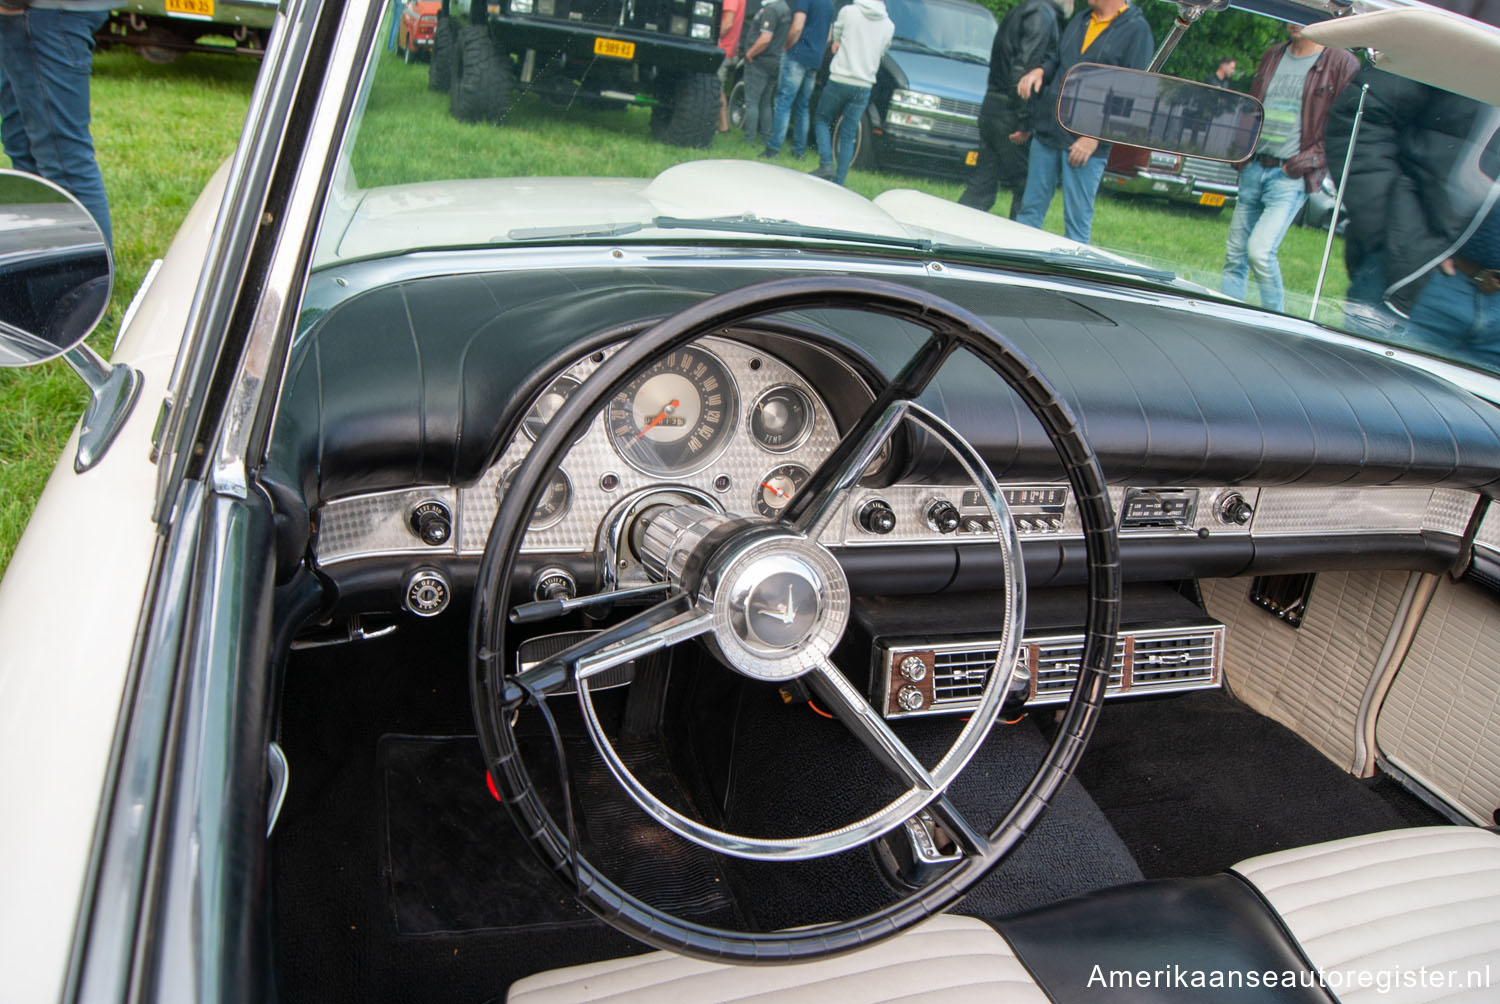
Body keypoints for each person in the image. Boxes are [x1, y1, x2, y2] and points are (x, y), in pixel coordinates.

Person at [1327, 64, 1500, 365]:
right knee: (1371, 409)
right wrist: (1397, 239)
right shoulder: (1468, 18)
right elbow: (1364, 118)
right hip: (1421, 285)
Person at [1220, 24, 1356, 312]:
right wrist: (1241, 151)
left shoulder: (1340, 62)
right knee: (1235, 255)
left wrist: (1303, 164)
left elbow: (1345, 127)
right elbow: (1252, 107)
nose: (1298, 22)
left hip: (1290, 174)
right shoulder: (1273, 55)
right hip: (1255, 165)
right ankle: (1225, 313)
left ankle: (1274, 320)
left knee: (1260, 251)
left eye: (1308, 15)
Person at [1013, 0, 1153, 244]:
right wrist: (1041, 71)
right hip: (1049, 130)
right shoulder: (1080, 19)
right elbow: (1056, 58)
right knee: (1029, 211)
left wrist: (1094, 138)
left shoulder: (1137, 30)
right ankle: (1015, 268)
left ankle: (1072, 276)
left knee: (1077, 222)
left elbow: (1132, 94)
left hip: (1085, 143)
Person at [0, 0, 114, 249]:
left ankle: (90, 279)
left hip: (42, 11)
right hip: (36, 13)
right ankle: (41, 265)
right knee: (23, 148)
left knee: (64, 162)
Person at [957, 0, 1066, 218]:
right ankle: (1017, 245)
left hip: (993, 105)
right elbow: (1022, 71)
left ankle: (949, 230)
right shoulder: (1041, 16)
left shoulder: (1020, 10)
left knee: (982, 186)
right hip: (1011, 110)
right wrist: (1023, 121)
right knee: (1027, 188)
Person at [809, 0, 892, 185]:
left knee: (822, 118)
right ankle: (840, 181)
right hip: (864, 84)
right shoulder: (889, 25)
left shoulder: (849, 12)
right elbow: (882, 52)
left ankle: (826, 164)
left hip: (841, 77)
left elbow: (836, 37)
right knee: (848, 132)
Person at [760, 0, 833, 161]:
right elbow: (829, 35)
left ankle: (773, 148)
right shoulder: (829, 3)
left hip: (797, 55)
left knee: (784, 101)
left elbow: (797, 26)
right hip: (815, 59)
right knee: (803, 105)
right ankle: (798, 152)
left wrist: (786, 46)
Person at [741, 0, 790, 146]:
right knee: (765, 102)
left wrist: (750, 53)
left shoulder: (771, 9)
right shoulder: (785, 8)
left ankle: (749, 139)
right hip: (775, 61)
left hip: (760, 60)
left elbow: (765, 38)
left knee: (752, 101)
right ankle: (766, 138)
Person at [717, 0, 745, 134]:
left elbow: (727, 23)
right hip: (730, 49)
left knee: (716, 88)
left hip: (722, 48)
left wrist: (710, 37)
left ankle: (723, 126)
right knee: (718, 88)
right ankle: (723, 126)